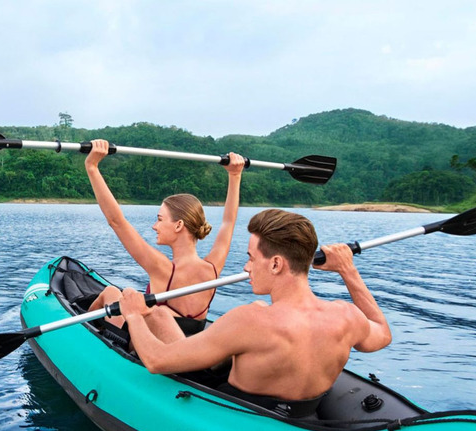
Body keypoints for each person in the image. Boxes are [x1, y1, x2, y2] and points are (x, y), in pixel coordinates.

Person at [117, 209, 393, 415]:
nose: (246, 268)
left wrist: (133, 314)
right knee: (163, 315)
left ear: (276, 264)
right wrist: (347, 270)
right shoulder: (345, 315)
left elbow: (156, 361)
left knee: (154, 316)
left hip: (238, 414)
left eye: (251, 258)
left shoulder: (249, 321)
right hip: (302, 413)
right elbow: (382, 334)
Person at [84, 139, 245, 338]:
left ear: (178, 225)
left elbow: (116, 221)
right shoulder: (213, 267)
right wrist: (235, 175)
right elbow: (228, 222)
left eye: (160, 219)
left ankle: (82, 335)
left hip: (148, 344)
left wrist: (92, 167)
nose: (155, 226)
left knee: (110, 292)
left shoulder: (161, 268)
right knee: (126, 294)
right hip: (185, 339)